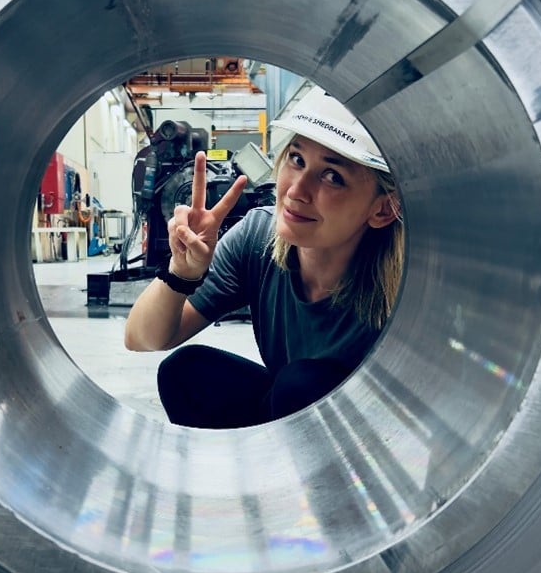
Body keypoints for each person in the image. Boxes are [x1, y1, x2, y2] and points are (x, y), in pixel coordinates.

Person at [124, 86, 404, 428]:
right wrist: (181, 273)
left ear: (384, 209)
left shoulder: (408, 284)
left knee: (301, 386)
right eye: (296, 159)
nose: (296, 191)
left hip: (373, 432)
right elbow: (143, 338)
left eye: (333, 177)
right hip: (294, 407)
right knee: (186, 373)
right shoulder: (258, 237)